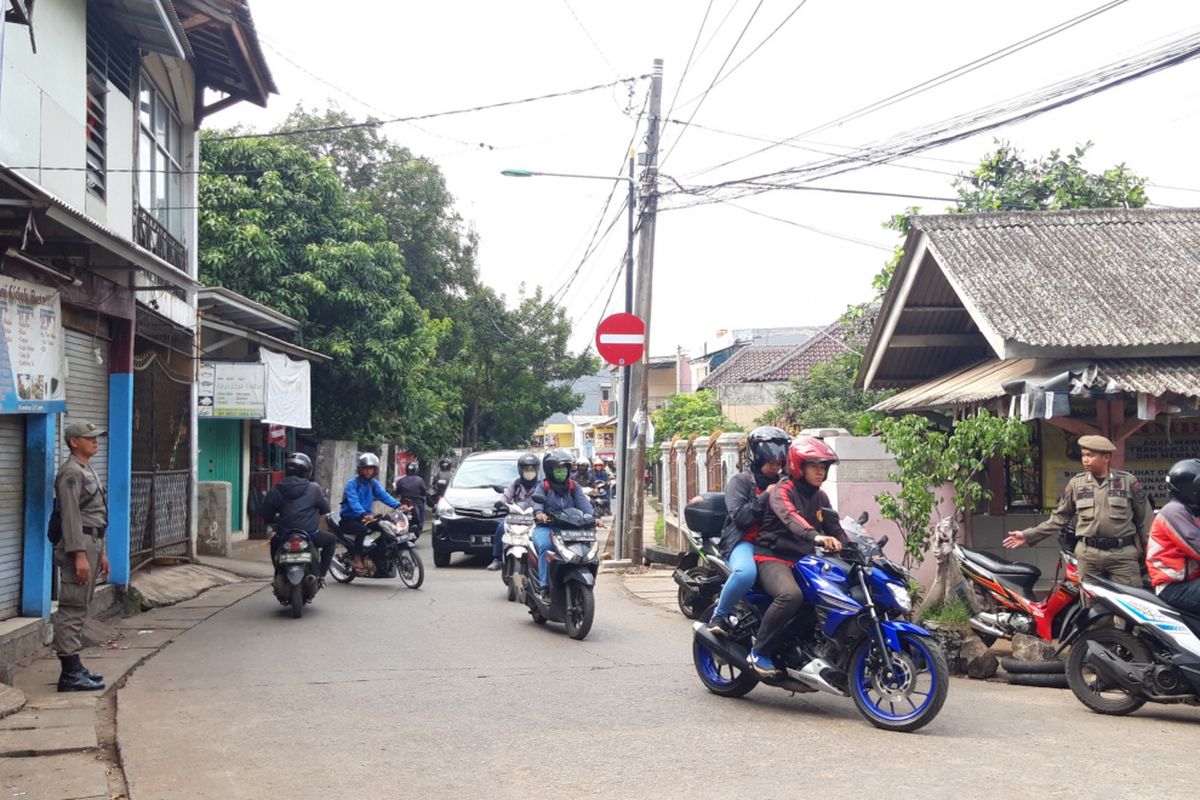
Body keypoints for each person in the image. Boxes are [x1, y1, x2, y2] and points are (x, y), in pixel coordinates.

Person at [748, 437, 847, 677]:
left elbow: (835, 527)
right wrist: (816, 537)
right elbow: (791, 517)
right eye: (814, 466)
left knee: (824, 599)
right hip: (772, 557)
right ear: (798, 467)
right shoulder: (783, 490)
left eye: (824, 467)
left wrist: (859, 549)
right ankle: (759, 652)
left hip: (804, 561)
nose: (820, 471)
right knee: (790, 595)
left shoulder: (821, 497)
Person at [1003, 435, 1152, 593]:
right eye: (1083, 455)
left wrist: (1151, 556)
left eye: (1090, 455)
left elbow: (1146, 521)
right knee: (1091, 607)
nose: (1085, 460)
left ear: (1106, 457)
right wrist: (1028, 535)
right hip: (1089, 556)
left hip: (1122, 556)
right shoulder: (1077, 484)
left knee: (1129, 604)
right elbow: (1059, 518)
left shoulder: (1127, 482)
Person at [706, 426, 790, 637]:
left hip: (774, 543)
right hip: (745, 541)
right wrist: (765, 496)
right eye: (770, 463)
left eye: (779, 464)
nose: (775, 468)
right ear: (758, 458)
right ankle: (719, 615)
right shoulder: (740, 482)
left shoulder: (785, 483)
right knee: (745, 574)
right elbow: (741, 517)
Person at [53, 422, 110, 692]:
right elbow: (71, 517)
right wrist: (78, 555)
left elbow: (98, 514)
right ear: (74, 442)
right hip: (80, 543)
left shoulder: (86, 469)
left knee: (81, 605)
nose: (95, 442)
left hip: (93, 542)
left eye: (96, 438)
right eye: (89, 438)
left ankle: (75, 667)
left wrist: (103, 554)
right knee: (72, 607)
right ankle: (70, 673)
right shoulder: (71, 473)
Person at [260, 453, 335, 580]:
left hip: (284, 535)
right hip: (311, 535)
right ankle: (321, 575)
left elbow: (266, 514)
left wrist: (274, 520)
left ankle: (278, 574)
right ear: (307, 470)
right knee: (331, 540)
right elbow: (326, 510)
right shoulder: (314, 488)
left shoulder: (277, 488)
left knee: (274, 542)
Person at [532, 449, 594, 597]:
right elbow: (537, 505)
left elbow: (585, 505)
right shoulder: (543, 486)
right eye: (557, 468)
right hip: (547, 528)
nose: (561, 472)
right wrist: (540, 514)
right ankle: (544, 585)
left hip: (570, 530)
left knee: (587, 548)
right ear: (550, 470)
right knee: (546, 547)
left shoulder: (573, 486)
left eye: (564, 468)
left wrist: (593, 517)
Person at [1146, 458, 1200, 614]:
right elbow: (1197, 546)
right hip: (1173, 587)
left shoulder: (1192, 511)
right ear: (1189, 489)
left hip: (1189, 583)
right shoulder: (1174, 511)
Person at [340, 453, 401, 573]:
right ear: (360, 469)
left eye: (371, 469)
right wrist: (363, 514)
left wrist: (398, 505)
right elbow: (353, 501)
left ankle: (379, 559)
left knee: (384, 526)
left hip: (366, 518)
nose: (368, 471)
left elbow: (384, 495)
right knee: (362, 530)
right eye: (366, 468)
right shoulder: (352, 484)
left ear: (375, 470)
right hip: (350, 519)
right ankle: (358, 558)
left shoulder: (373, 483)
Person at [487, 452, 541, 571]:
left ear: (537, 469)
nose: (529, 471)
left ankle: (538, 559)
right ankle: (497, 559)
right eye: (526, 469)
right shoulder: (516, 484)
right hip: (515, 517)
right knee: (501, 527)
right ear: (520, 470)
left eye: (532, 469)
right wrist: (500, 503)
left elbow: (546, 500)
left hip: (534, 518)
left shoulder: (541, 485)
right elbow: (506, 495)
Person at [393, 461, 430, 532]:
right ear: (416, 470)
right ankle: (420, 525)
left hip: (404, 502)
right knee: (421, 509)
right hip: (416, 502)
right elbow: (424, 492)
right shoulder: (420, 480)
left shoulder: (400, 480)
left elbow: (397, 492)